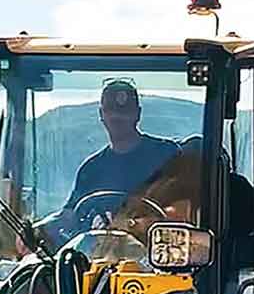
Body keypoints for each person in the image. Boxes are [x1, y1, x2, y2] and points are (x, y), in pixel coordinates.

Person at [53, 80, 180, 230]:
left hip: (157, 250)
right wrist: (41, 230)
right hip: (103, 251)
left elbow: (184, 208)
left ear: (138, 114)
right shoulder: (91, 170)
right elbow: (69, 216)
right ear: (101, 114)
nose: (117, 116)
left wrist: (132, 223)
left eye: (125, 111)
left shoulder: (166, 155)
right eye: (111, 110)